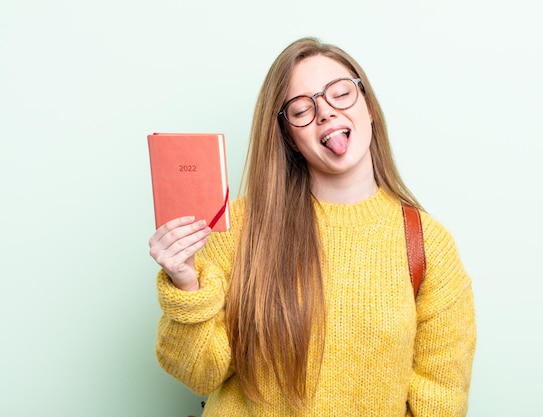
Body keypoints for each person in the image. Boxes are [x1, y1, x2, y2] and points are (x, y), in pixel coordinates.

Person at [149, 37, 476, 416]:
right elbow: (199, 373)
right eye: (302, 109)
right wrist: (185, 282)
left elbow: (441, 398)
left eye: (340, 93)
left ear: (368, 107)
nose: (326, 113)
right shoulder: (238, 228)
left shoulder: (427, 244)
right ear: (288, 135)